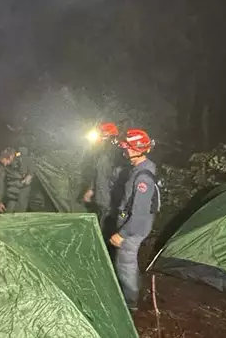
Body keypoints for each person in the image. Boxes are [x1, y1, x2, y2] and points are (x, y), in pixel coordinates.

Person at [110, 128, 160, 312]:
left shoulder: (143, 177)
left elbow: (139, 214)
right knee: (129, 263)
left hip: (133, 227)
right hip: (134, 224)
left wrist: (122, 234)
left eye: (128, 147)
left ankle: (129, 304)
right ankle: (135, 293)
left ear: (138, 149)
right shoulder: (141, 168)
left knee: (125, 265)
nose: (125, 151)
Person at [82, 122, 128, 237]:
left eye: (102, 136)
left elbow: (118, 179)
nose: (100, 139)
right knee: (96, 225)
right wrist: (91, 190)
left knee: (103, 231)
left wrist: (114, 202)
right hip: (100, 198)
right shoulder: (102, 154)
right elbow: (98, 173)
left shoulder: (116, 156)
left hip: (109, 202)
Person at [0, 147, 32, 213]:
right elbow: (0, 184)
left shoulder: (22, 157)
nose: (5, 164)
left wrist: (29, 175)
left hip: (24, 188)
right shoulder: (1, 166)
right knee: (9, 211)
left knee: (20, 210)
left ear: (11, 157)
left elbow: (32, 168)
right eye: (3, 163)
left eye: (6, 161)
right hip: (12, 191)